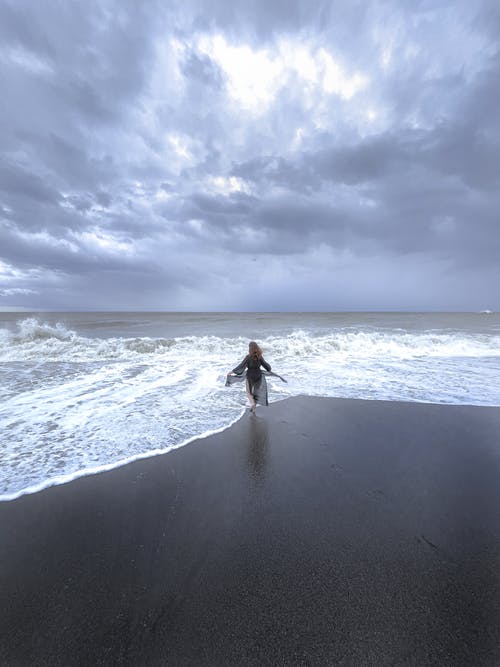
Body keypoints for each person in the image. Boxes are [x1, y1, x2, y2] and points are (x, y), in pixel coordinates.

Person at [226, 341, 272, 413]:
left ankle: (252, 404)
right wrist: (269, 368)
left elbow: (241, 366)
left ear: (250, 348)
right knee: (256, 393)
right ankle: (253, 409)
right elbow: (267, 366)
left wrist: (232, 371)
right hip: (258, 375)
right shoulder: (260, 357)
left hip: (250, 376)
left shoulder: (248, 357)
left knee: (249, 393)